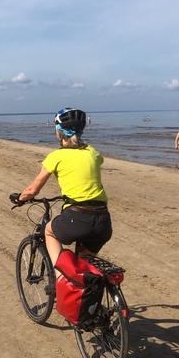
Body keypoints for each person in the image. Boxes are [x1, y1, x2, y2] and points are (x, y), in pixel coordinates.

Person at [10, 108, 112, 270]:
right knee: (84, 268)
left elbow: (32, 191)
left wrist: (19, 198)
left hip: (76, 218)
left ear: (59, 132)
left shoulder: (56, 157)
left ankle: (61, 277)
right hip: (103, 221)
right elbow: (95, 163)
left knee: (49, 232)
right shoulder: (92, 152)